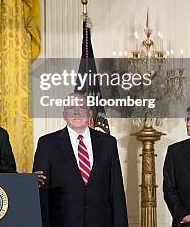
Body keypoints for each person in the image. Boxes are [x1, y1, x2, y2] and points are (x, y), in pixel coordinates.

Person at [32, 92, 128, 227]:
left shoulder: (108, 143)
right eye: (71, 108)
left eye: (81, 107)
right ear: (64, 115)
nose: (76, 112)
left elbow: (116, 190)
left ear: (89, 114)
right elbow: (41, 193)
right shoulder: (47, 143)